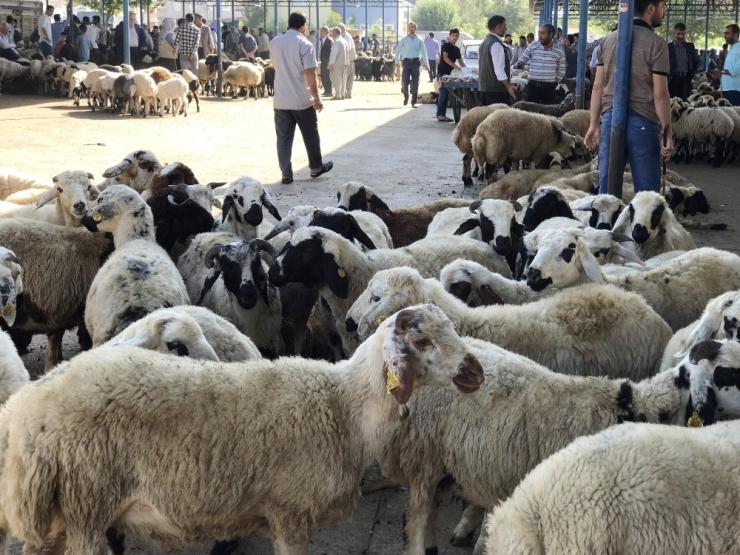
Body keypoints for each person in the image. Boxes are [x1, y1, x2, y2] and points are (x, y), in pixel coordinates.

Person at [585, 0, 672, 195]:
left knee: (606, 193)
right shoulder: (657, 44)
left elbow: (597, 87)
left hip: (610, 120)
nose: (664, 11)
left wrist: (593, 124)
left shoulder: (607, 41)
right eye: (662, 6)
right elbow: (660, 95)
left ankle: (605, 226)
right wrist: (667, 132)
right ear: (651, 8)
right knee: (647, 197)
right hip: (643, 122)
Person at [270, 11, 332, 184]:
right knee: (310, 134)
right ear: (303, 26)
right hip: (301, 100)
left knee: (283, 138)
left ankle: (286, 174)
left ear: (289, 24)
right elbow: (310, 72)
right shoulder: (305, 44)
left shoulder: (275, 42)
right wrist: (316, 97)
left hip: (281, 99)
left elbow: (275, 65)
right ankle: (315, 168)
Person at [516, 24, 565, 104]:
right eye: (539, 33)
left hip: (549, 88)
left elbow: (562, 70)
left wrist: (555, 82)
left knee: (548, 113)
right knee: (530, 113)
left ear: (551, 34)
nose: (540, 36)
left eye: (543, 33)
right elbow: (522, 59)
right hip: (532, 86)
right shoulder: (532, 46)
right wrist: (520, 64)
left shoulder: (559, 51)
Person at [478, 15, 516, 105]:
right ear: (498, 27)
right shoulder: (496, 44)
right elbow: (499, 70)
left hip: (485, 89)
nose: (506, 28)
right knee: (499, 118)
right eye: (504, 26)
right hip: (496, 92)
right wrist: (509, 87)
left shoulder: (485, 42)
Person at [394, 21, 428, 107]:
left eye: (413, 27)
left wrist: (427, 64)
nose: (411, 28)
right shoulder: (404, 40)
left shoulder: (419, 40)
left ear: (416, 29)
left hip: (416, 62)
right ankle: (406, 96)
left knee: (415, 82)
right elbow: (397, 51)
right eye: (410, 27)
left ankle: (413, 101)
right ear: (408, 29)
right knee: (405, 81)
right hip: (406, 62)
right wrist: (396, 62)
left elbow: (424, 53)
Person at [436, 27, 465, 122]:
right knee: (443, 94)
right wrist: (455, 66)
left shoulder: (457, 49)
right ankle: (440, 114)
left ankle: (443, 114)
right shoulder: (446, 46)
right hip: (442, 72)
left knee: (447, 94)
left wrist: (467, 69)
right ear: (449, 36)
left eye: (456, 36)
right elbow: (445, 58)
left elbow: (461, 61)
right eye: (453, 35)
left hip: (450, 74)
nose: (454, 37)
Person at [667, 22, 699, 100]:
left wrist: (691, 74)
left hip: (685, 79)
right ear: (673, 33)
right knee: (672, 102)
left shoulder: (690, 46)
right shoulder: (668, 47)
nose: (681, 36)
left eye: (683, 34)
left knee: (685, 101)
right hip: (672, 79)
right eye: (678, 34)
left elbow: (696, 61)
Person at [716, 24, 740, 105]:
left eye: (727, 33)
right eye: (724, 33)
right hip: (726, 89)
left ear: (736, 35)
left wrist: (722, 71)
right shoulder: (732, 49)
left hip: (735, 90)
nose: (725, 36)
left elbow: (737, 70)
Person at [328, 26, 348, 100]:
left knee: (336, 79)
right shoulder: (344, 41)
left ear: (335, 33)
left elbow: (333, 54)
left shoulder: (336, 42)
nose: (331, 34)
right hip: (345, 63)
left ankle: (337, 95)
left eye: (332, 32)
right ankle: (342, 94)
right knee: (343, 79)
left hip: (337, 64)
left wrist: (331, 64)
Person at [338, 24, 357, 99]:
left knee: (348, 76)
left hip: (349, 59)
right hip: (344, 59)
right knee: (345, 76)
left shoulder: (347, 36)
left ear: (342, 29)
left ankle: (348, 92)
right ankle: (346, 92)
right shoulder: (342, 36)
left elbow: (347, 47)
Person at [319, 26, 333, 97]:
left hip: (326, 62)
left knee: (327, 76)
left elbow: (329, 52)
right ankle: (326, 90)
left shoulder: (329, 40)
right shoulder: (323, 40)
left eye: (322, 31)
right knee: (323, 76)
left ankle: (329, 91)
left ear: (326, 32)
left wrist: (328, 63)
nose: (320, 33)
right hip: (323, 61)